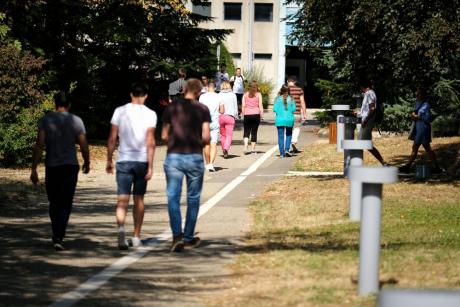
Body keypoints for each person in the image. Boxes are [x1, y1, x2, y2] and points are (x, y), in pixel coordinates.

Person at [30, 92, 90, 251]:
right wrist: (87, 162)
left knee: (54, 201)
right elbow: (84, 144)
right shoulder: (77, 121)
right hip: (70, 166)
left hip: (52, 166)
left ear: (54, 103)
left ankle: (56, 233)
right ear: (69, 104)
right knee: (66, 202)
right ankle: (59, 235)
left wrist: (34, 168)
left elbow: (39, 144)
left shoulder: (46, 120)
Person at [161, 78, 211, 252]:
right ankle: (188, 237)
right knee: (193, 198)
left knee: (173, 197)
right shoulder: (202, 109)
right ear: (198, 92)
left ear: (183, 89)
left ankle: (176, 236)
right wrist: (200, 142)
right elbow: (206, 137)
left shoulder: (172, 107)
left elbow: (164, 135)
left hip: (174, 156)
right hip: (194, 157)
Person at [107, 83, 157, 250]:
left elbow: (113, 138)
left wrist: (109, 159)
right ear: (146, 96)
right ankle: (136, 236)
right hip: (141, 160)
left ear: (131, 94)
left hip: (124, 160)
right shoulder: (150, 114)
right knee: (139, 199)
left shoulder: (119, 111)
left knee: (122, 199)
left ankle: (121, 230)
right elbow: (151, 141)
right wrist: (151, 165)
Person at [399, 87, 442, 173]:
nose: (417, 95)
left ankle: (408, 166)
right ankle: (435, 167)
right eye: (417, 93)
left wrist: (415, 116)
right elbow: (415, 112)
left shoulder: (426, 104)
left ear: (423, 94)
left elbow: (419, 116)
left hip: (423, 128)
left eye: (418, 93)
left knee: (422, 147)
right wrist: (413, 114)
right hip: (419, 128)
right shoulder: (417, 103)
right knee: (420, 147)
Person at [357, 80, 387, 165]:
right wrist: (359, 113)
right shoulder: (370, 93)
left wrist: (365, 120)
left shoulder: (369, 94)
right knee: (366, 143)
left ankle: (357, 166)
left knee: (362, 143)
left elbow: (372, 109)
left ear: (363, 87)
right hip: (368, 121)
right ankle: (383, 162)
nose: (360, 89)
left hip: (367, 122)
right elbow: (368, 109)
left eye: (360, 87)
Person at [199, 81, 222, 171]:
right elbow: (222, 110)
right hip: (215, 122)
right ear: (215, 88)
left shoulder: (202, 96)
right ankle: (211, 164)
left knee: (206, 144)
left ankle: (207, 163)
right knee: (213, 143)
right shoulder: (219, 96)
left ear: (207, 87)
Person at [273, 85, 296, 157]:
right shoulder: (291, 99)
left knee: (280, 136)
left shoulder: (277, 99)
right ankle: (287, 149)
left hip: (279, 120)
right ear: (289, 91)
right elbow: (293, 109)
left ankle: (282, 153)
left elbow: (274, 109)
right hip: (289, 119)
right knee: (289, 134)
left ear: (281, 91)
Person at [242, 81, 264, 154]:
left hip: (247, 114)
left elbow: (243, 105)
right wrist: (262, 115)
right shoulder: (258, 94)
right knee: (254, 132)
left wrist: (243, 114)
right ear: (256, 87)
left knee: (246, 131)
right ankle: (253, 149)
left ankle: (245, 146)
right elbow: (260, 105)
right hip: (256, 114)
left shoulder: (245, 95)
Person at [287, 76, 307, 153]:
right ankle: (294, 142)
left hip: (287, 114)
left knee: (288, 130)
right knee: (296, 128)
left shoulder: (285, 90)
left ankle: (287, 147)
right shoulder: (299, 90)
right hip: (297, 113)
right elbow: (302, 102)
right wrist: (304, 113)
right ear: (295, 82)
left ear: (287, 82)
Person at [218, 81, 238, 158]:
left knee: (223, 135)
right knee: (229, 135)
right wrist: (236, 116)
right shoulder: (233, 95)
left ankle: (224, 149)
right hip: (230, 117)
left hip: (221, 117)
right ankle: (226, 148)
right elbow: (235, 106)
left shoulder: (219, 95)